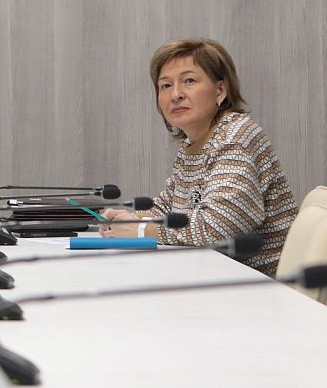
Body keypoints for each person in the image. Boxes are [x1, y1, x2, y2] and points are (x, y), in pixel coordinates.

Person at [100, 39, 297, 275]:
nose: (175, 94)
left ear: (220, 91)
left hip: (258, 286)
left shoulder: (234, 139)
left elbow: (218, 230)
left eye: (189, 81)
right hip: (214, 276)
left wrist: (143, 230)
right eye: (165, 85)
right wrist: (127, 219)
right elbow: (167, 209)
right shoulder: (193, 144)